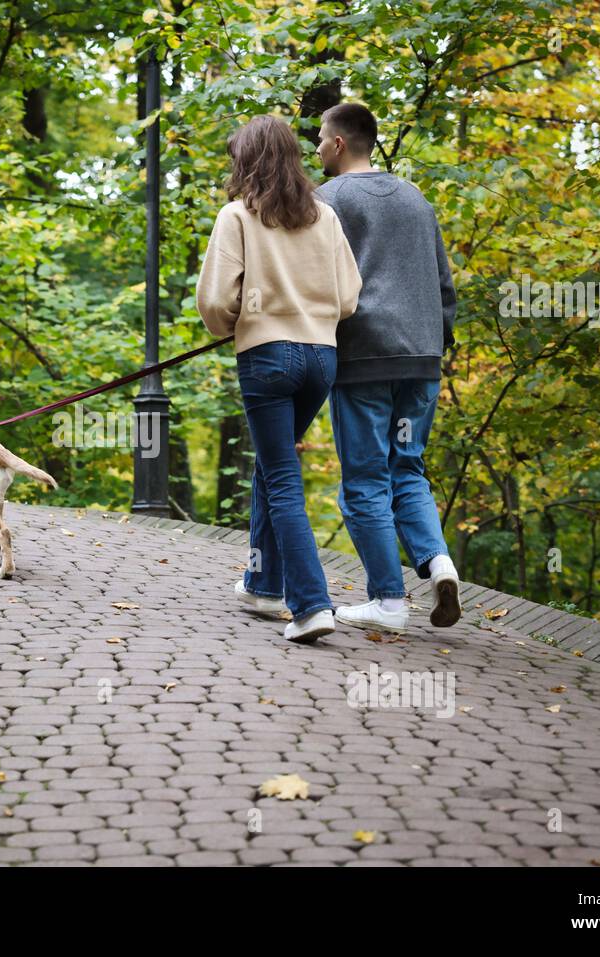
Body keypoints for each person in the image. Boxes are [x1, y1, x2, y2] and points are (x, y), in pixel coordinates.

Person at [196, 114, 362, 644]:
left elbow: (216, 300)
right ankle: (263, 584)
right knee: (274, 469)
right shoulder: (325, 216)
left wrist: (238, 325)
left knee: (282, 480)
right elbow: (348, 297)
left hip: (268, 358)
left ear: (245, 161)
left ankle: (312, 605)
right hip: (322, 360)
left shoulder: (236, 216)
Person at [314, 102, 461, 633]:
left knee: (364, 481)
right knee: (408, 468)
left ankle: (388, 601)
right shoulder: (416, 199)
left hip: (363, 356)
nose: (316, 150)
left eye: (320, 140)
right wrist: (438, 339)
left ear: (337, 144)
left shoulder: (326, 200)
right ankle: (438, 562)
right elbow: (443, 284)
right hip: (421, 357)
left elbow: (312, 276)